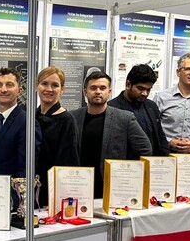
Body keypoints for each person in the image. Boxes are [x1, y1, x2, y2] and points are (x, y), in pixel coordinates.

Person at [68, 70, 151, 198]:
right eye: (93, 88)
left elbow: (145, 149)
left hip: (112, 185)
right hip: (79, 183)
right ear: (85, 92)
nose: (98, 92)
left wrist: (128, 172)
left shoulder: (125, 118)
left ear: (109, 91)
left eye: (102, 88)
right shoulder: (73, 117)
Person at [0, 67, 41, 179]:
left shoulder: (27, 123)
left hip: (12, 188)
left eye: (9, 85)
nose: (3, 89)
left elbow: (26, 168)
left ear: (19, 90)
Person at [35, 66, 79, 208]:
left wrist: (59, 199)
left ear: (62, 89)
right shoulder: (31, 117)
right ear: (37, 86)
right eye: (44, 83)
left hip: (52, 191)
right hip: (31, 186)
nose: (49, 89)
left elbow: (68, 162)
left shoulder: (67, 120)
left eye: (55, 85)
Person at [108, 63, 170, 157]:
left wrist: (165, 159)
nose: (145, 93)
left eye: (148, 89)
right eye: (140, 88)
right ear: (128, 84)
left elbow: (160, 137)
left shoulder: (152, 106)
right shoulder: (112, 108)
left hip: (152, 162)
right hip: (125, 163)